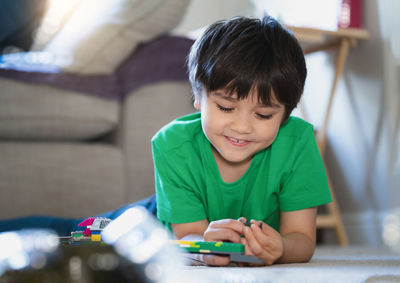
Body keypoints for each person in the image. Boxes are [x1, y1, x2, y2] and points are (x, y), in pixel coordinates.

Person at [151, 16, 332, 266]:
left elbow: (302, 239)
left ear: (285, 116)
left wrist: (281, 247)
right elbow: (186, 237)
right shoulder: (172, 145)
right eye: (226, 108)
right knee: (94, 232)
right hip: (159, 214)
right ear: (198, 96)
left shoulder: (298, 142)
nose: (242, 127)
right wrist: (203, 247)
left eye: (264, 115)